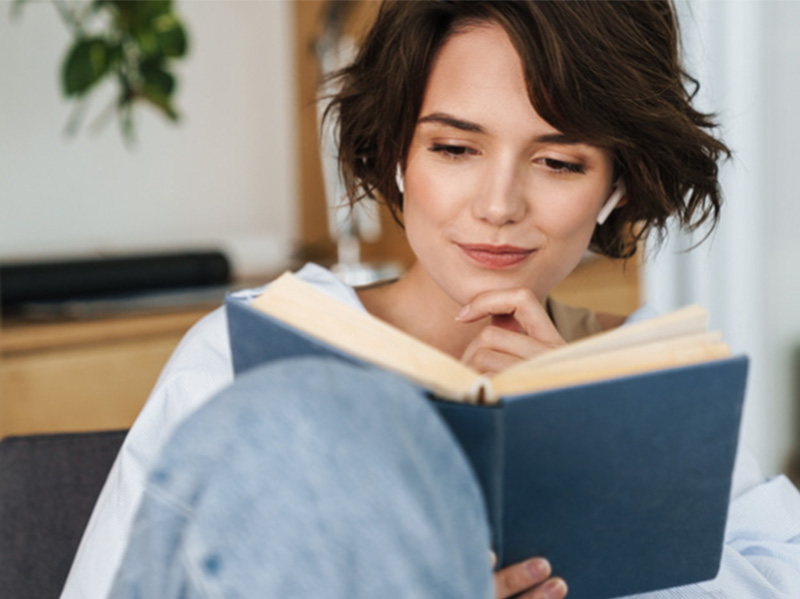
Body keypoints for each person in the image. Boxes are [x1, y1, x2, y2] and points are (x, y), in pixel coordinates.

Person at [61, 2, 800, 599]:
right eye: (455, 148)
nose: (499, 204)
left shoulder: (648, 387)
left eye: (557, 161)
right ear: (397, 154)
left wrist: (592, 454)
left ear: (617, 186)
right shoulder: (238, 356)